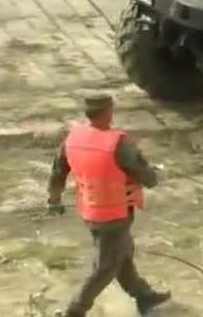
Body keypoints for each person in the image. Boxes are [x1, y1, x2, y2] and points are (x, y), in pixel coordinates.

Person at [47, 92, 170, 317]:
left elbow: (58, 171)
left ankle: (144, 296)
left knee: (120, 254)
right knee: (105, 268)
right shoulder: (118, 143)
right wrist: (155, 175)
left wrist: (54, 200)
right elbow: (147, 177)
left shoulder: (74, 137)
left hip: (90, 209)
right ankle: (74, 311)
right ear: (108, 112)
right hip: (114, 213)